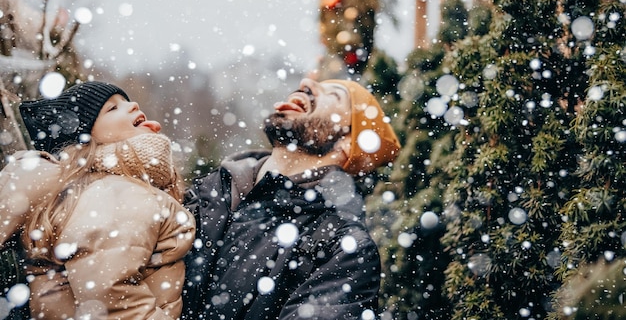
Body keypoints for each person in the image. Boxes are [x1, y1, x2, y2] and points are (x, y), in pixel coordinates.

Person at [183, 78, 401, 320]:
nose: (307, 83)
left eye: (335, 95)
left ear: (348, 143)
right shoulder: (208, 191)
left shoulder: (343, 249)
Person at [10, 80, 195, 319]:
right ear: (85, 141)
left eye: (126, 101)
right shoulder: (117, 193)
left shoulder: (109, 190)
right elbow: (114, 300)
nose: (133, 105)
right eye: (112, 108)